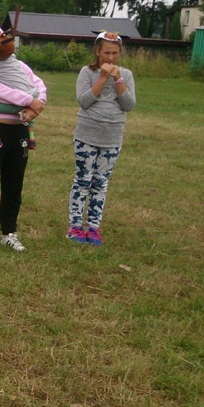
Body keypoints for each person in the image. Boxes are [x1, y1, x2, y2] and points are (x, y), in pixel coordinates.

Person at [0, 24, 47, 252]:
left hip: (19, 130)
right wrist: (28, 100)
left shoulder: (19, 65)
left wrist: (38, 103)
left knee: (14, 184)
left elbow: (38, 84)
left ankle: (8, 232)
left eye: (0, 36)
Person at [67, 31, 136, 246]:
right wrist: (103, 78)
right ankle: (76, 225)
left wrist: (118, 79)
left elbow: (129, 105)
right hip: (87, 135)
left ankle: (94, 227)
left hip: (112, 137)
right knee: (83, 180)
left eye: (115, 53)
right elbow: (84, 101)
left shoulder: (126, 75)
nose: (111, 57)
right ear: (97, 52)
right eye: (106, 52)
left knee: (100, 183)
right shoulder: (86, 72)